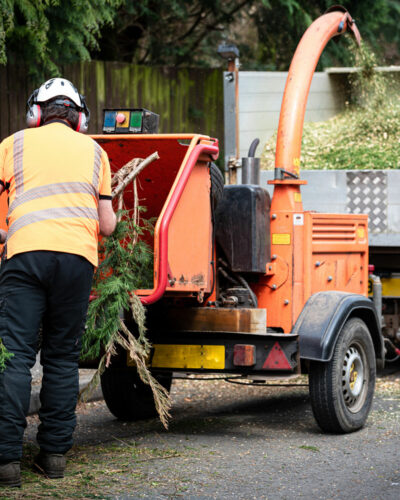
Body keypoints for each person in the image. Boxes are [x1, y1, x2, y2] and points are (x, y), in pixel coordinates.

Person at [0, 78, 116, 488]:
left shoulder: (12, 145)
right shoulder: (96, 152)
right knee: (63, 358)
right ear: (79, 117)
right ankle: (53, 459)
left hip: (25, 256)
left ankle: (6, 463)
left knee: (14, 355)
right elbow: (107, 224)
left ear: (36, 112)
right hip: (76, 261)